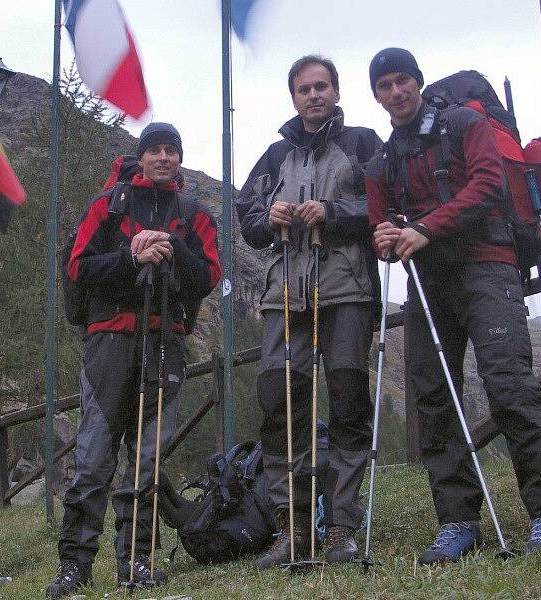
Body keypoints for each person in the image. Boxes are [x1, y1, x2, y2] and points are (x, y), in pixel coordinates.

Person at [365, 48, 541, 565]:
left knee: (508, 384)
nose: (396, 92)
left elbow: (489, 184)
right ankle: (457, 521)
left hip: (488, 265)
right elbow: (379, 225)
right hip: (428, 280)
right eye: (385, 85)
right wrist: (387, 236)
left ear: (418, 82)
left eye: (403, 80)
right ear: (375, 95)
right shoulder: (380, 160)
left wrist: (422, 228)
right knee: (435, 398)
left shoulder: (464, 123)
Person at [47, 123, 221, 597]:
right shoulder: (109, 205)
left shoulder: (193, 213)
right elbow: (77, 267)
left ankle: (137, 562)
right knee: (93, 455)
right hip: (109, 341)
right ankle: (74, 565)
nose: (164, 157)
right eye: (155, 150)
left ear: (180, 159)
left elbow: (209, 277)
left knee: (149, 457)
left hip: (165, 341)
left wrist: (172, 248)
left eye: (172, 150)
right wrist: (132, 256)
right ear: (140, 157)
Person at [236, 55, 382, 566]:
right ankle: (291, 528)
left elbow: (386, 205)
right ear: (292, 97)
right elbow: (246, 218)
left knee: (346, 400)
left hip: (347, 291)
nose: (313, 95)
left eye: (322, 86)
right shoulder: (275, 155)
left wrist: (335, 213)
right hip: (284, 297)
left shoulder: (363, 144)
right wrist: (267, 215)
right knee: (280, 404)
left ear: (337, 92)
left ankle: (341, 525)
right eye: (304, 89)